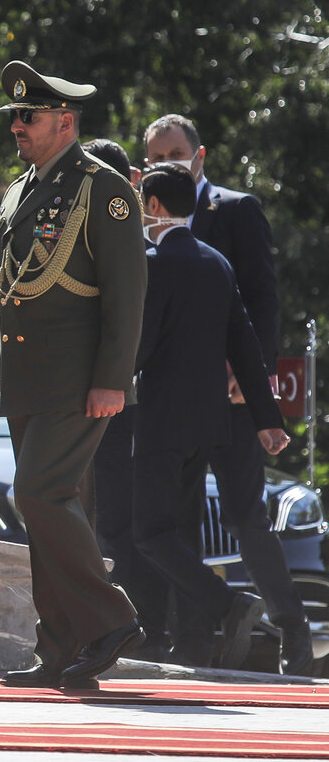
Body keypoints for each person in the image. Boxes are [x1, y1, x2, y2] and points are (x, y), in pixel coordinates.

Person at [0, 60, 148, 689]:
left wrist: (113, 379)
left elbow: (126, 295)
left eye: (29, 116)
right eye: (15, 116)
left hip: (79, 379)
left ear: (65, 122)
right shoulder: (21, 188)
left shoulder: (102, 188)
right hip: (26, 378)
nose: (17, 126)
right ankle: (61, 648)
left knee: (39, 495)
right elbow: (4, 291)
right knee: (51, 507)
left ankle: (111, 619)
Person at [144, 114, 314, 674]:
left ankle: (292, 632)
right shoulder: (145, 221)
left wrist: (254, 373)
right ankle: (195, 638)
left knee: (245, 513)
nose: (165, 162)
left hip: (236, 395)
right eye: (154, 156)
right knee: (183, 518)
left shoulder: (235, 209)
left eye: (174, 152)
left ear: (200, 155)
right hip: (182, 400)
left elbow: (261, 299)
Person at [81, 138, 176, 660]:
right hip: (106, 403)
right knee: (108, 522)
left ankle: (137, 629)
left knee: (118, 523)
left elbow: (130, 332)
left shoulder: (134, 250)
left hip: (120, 405)